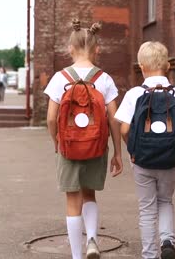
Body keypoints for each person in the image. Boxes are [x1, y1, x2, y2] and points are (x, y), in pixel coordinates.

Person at [44, 19, 123, 259]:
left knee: (72, 200)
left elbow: (50, 117)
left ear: (70, 49)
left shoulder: (60, 78)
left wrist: (56, 141)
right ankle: (91, 239)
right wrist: (118, 152)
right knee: (90, 194)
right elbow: (113, 118)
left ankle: (77, 256)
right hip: (97, 146)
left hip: (69, 146)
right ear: (97, 49)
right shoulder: (104, 78)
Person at [114, 41, 175, 259]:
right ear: (167, 66)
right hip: (169, 159)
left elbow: (124, 128)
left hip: (142, 160)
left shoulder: (133, 94)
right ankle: (167, 242)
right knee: (165, 201)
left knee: (147, 209)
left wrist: (132, 150)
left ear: (141, 66)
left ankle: (149, 255)